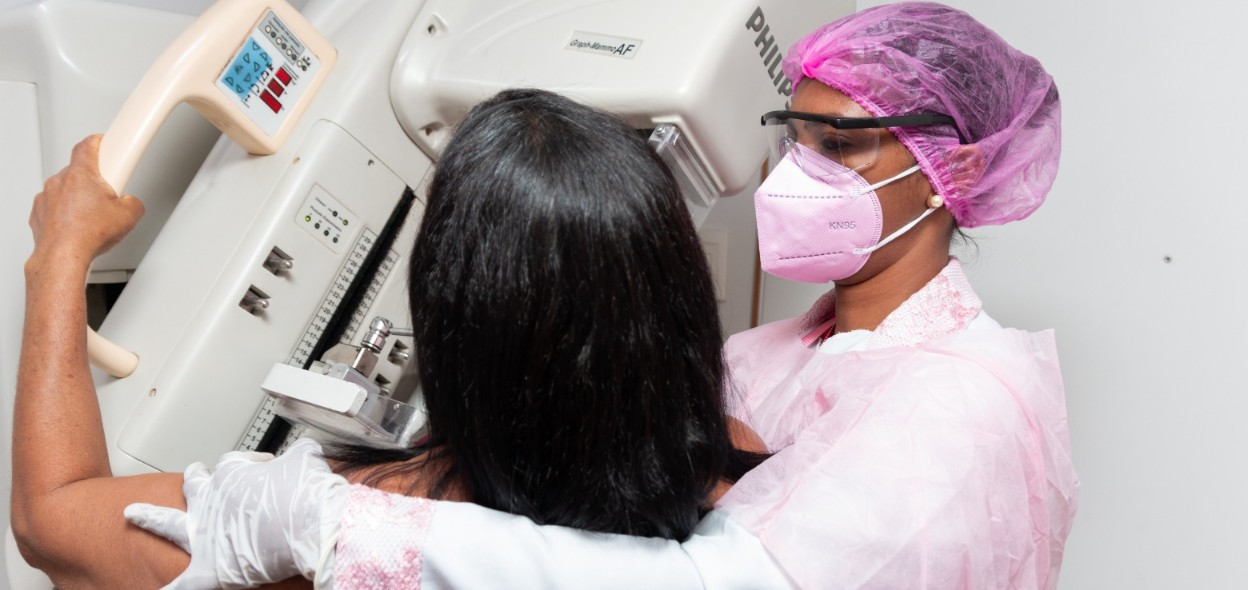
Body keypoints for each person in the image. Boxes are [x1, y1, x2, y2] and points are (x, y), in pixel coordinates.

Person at [124, 3, 1079, 589]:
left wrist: (340, 523)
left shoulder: (967, 400)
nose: (801, 171)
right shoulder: (763, 357)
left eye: (842, 146)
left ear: (954, 169)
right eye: (796, 138)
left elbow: (715, 583)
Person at [11, 88, 776, 588]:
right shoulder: (735, 465)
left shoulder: (339, 530)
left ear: (456, 317)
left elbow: (51, 517)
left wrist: (59, 257)